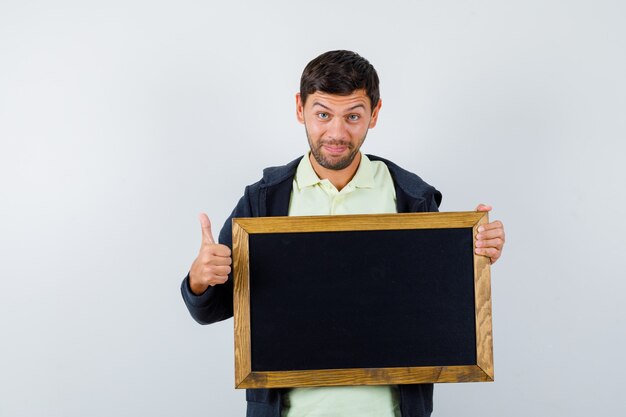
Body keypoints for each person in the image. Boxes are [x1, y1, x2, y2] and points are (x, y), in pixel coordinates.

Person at [181, 50, 505, 417]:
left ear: (375, 114)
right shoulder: (263, 200)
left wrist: (474, 255)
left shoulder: (411, 197)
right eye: (323, 114)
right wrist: (200, 278)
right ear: (300, 109)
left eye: (353, 116)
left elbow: (433, 307)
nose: (337, 132)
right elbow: (213, 308)